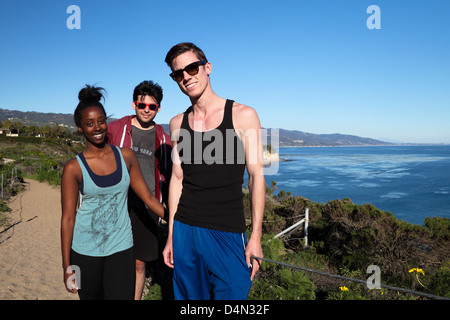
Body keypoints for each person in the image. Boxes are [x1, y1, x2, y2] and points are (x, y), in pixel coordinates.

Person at [162, 42, 265, 300]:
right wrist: (171, 236)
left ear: (207, 68)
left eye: (192, 68)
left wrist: (255, 237)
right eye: (178, 73)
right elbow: (176, 180)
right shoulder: (177, 123)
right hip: (185, 230)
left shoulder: (243, 115)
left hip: (227, 231)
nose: (186, 76)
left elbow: (256, 176)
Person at [60, 85, 166, 300]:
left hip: (121, 248)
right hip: (85, 251)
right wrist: (66, 266)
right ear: (80, 128)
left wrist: (178, 220)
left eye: (101, 121)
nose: (97, 128)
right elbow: (68, 218)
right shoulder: (73, 168)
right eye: (89, 124)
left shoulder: (125, 157)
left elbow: (147, 197)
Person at [106, 80, 172, 300]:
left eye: (152, 107)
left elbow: (171, 176)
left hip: (148, 206)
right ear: (133, 104)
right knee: (114, 260)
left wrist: (168, 212)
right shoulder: (115, 129)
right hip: (117, 203)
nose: (146, 110)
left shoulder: (163, 138)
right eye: (141, 105)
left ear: (158, 108)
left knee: (139, 264)